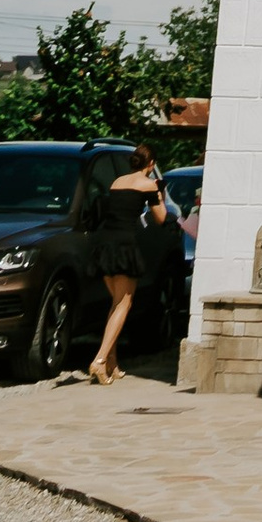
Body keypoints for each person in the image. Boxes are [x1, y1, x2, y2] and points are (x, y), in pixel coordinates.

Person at [82, 139, 177, 383]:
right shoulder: (148, 185)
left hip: (105, 243)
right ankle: (100, 360)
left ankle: (112, 363)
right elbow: (161, 217)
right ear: (151, 163)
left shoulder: (117, 182)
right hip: (124, 245)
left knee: (115, 305)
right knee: (124, 304)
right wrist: (160, 192)